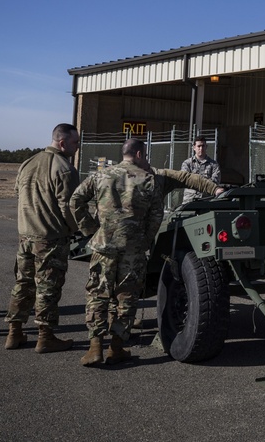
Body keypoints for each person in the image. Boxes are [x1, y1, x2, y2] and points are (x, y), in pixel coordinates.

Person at [70, 138, 223, 367]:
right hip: (133, 249)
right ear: (140, 154)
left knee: (98, 294)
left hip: (103, 246)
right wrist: (146, 241)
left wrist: (92, 231)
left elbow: (75, 201)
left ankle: (94, 348)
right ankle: (116, 348)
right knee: (127, 297)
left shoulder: (100, 175)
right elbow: (156, 216)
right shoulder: (149, 178)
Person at [3, 123, 81, 353]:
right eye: (75, 143)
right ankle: (45, 337)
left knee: (23, 284)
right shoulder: (64, 168)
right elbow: (70, 207)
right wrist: (76, 229)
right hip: (50, 238)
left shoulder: (28, 163)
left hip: (25, 236)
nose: (77, 148)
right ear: (62, 142)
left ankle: (14, 332)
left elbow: (18, 193)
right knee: (48, 287)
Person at [179, 135, 221, 203]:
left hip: (207, 200)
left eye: (203, 146)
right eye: (199, 146)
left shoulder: (214, 165)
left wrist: (197, 181)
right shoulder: (187, 163)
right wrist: (205, 181)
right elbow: (185, 179)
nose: (201, 148)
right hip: (190, 200)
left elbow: (215, 181)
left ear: (206, 147)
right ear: (194, 147)